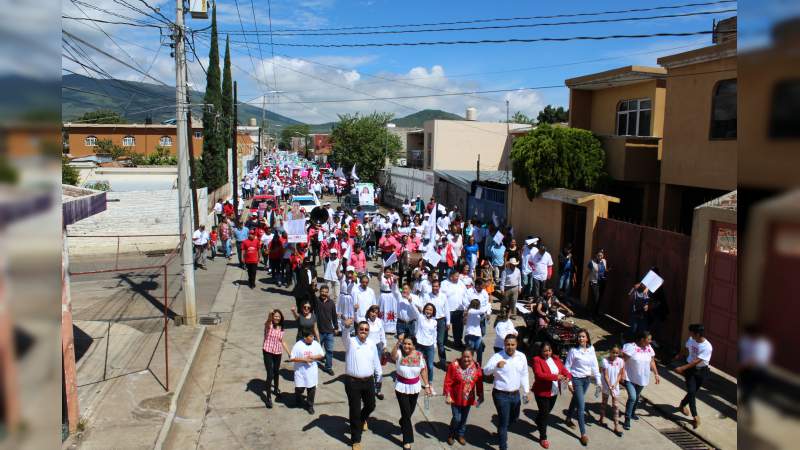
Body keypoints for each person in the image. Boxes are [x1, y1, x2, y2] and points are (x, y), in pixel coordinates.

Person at [340, 318, 382, 450]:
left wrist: (379, 375)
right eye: (361, 329)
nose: (364, 331)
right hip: (353, 382)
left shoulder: (371, 344)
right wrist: (346, 328)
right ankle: (355, 440)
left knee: (371, 405)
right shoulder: (351, 342)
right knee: (355, 410)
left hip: (368, 380)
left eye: (366, 329)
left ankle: (362, 420)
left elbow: (376, 361)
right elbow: (344, 337)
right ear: (357, 330)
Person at [483, 334, 530, 450]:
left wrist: (526, 391)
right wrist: (496, 366)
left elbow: (524, 374)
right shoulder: (498, 356)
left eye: (512, 344)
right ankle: (503, 446)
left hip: (515, 395)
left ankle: (501, 431)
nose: (510, 347)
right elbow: (486, 371)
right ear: (504, 345)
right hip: (501, 395)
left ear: (516, 344)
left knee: (514, 418)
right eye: (507, 344)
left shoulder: (521, 356)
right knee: (504, 422)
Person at [392, 333, 432, 450]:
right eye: (405, 343)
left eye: (409, 344)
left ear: (414, 345)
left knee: (409, 412)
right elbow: (392, 356)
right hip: (401, 387)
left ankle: (402, 422)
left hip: (415, 387)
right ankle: (407, 440)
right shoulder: (399, 353)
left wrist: (427, 385)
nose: (406, 346)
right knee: (406, 414)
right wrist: (398, 342)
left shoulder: (419, 356)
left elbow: (423, 371)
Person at [565, 329, 602, 446]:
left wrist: (598, 381)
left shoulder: (591, 349)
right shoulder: (573, 351)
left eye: (583, 336)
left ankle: (568, 419)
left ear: (587, 338)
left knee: (576, 399)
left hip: (587, 380)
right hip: (576, 380)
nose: (580, 338)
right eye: (579, 337)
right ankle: (583, 434)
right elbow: (567, 367)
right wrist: (569, 383)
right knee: (581, 406)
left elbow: (595, 365)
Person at [532, 342, 572, 449]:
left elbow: (563, 370)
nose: (547, 353)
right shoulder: (537, 360)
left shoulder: (556, 359)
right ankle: (543, 437)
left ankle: (538, 420)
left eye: (549, 350)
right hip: (541, 392)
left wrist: (568, 376)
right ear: (540, 351)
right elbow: (539, 374)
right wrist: (556, 377)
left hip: (553, 392)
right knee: (545, 415)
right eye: (545, 351)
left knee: (545, 412)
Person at [443, 348, 484, 446]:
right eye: (464, 356)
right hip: (455, 397)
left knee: (464, 418)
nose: (466, 359)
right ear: (461, 355)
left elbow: (479, 382)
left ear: (472, 356)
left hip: (468, 398)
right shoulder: (454, 366)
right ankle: (451, 434)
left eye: (468, 357)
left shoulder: (476, 367)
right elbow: (448, 381)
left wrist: (481, 395)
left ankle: (460, 434)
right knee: (457, 418)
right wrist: (448, 395)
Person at [675, 324, 713, 429]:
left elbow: (697, 361)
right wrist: (680, 354)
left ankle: (682, 405)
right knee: (691, 392)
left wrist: (682, 368)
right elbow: (686, 348)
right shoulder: (691, 339)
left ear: (697, 334)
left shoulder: (707, 347)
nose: (689, 334)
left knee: (693, 392)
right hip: (690, 370)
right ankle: (695, 416)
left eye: (691, 332)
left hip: (702, 371)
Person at [621, 330, 660, 431]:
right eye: (649, 339)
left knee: (637, 396)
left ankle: (632, 413)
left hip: (642, 378)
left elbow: (652, 361)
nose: (650, 341)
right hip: (629, 377)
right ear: (642, 340)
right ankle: (627, 419)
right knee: (633, 397)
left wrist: (656, 373)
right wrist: (620, 374)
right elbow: (622, 361)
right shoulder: (631, 347)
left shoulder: (648, 348)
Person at [289, 329, 325, 414]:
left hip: (311, 372)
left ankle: (310, 405)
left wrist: (313, 357)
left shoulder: (316, 344)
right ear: (305, 337)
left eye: (313, 336)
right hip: (300, 371)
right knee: (300, 388)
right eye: (311, 336)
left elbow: (321, 355)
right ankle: (298, 396)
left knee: (311, 389)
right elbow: (292, 358)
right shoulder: (298, 345)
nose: (313, 338)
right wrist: (304, 359)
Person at [263, 309, 291, 409]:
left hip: (278, 352)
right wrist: (270, 314)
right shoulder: (268, 325)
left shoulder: (281, 327)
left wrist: (289, 353)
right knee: (270, 374)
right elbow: (268, 320)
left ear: (281, 318)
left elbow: (282, 341)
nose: (276, 318)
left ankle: (275, 389)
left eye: (278, 316)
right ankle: (268, 397)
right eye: (275, 316)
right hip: (268, 351)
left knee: (276, 372)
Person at [423, 279, 450, 367]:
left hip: (441, 321)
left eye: (436, 286)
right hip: (430, 320)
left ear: (439, 287)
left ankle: (443, 361)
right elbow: (424, 309)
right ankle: (427, 361)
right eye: (433, 286)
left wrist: (448, 322)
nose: (435, 288)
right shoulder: (427, 296)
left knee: (440, 342)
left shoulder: (443, 296)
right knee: (429, 341)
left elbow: (447, 309)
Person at [600, 344, 626, 436]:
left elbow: (620, 373)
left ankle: (616, 427)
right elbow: (606, 374)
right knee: (604, 403)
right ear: (610, 352)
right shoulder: (604, 361)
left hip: (615, 386)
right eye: (613, 352)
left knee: (615, 406)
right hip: (606, 385)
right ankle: (601, 419)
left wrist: (615, 384)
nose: (615, 354)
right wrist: (610, 386)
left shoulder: (621, 361)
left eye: (617, 353)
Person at [364, 305, 387, 400]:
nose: (374, 314)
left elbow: (382, 334)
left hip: (378, 347)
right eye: (372, 312)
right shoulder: (365, 322)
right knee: (368, 370)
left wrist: (384, 346)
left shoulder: (379, 322)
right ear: (369, 312)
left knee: (378, 370)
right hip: (367, 348)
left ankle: (378, 390)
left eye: (376, 313)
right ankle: (367, 391)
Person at [313, 285, 338, 375]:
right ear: (319, 292)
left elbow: (334, 316)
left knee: (329, 351)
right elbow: (310, 294)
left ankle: (328, 367)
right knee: (315, 350)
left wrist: (336, 327)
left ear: (328, 293)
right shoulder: (316, 301)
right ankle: (313, 366)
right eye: (322, 291)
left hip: (329, 332)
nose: (324, 293)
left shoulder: (331, 303)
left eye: (326, 292)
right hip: (318, 331)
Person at [441, 270, 467, 349]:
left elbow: (465, 294)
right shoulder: (444, 283)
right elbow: (441, 296)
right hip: (447, 310)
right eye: (456, 276)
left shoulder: (461, 283)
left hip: (459, 309)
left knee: (459, 328)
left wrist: (466, 307)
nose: (457, 278)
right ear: (451, 277)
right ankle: (443, 342)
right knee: (445, 327)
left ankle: (458, 343)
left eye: (458, 276)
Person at [414, 303, 439, 382]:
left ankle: (430, 383)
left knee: (430, 366)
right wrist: (411, 301)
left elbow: (434, 334)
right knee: (416, 365)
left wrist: (434, 345)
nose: (428, 311)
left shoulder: (434, 322)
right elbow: (414, 309)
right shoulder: (420, 317)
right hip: (419, 345)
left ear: (433, 312)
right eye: (427, 309)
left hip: (430, 346)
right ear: (424, 310)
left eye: (430, 310)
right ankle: (415, 381)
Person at [585, 251, 608, 317]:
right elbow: (587, 272)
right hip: (594, 282)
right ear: (596, 255)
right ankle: (591, 313)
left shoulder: (604, 261)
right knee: (596, 298)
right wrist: (585, 281)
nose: (600, 257)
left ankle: (596, 312)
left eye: (601, 255)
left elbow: (604, 270)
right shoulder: (591, 262)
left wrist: (607, 271)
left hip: (602, 282)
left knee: (600, 298)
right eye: (598, 255)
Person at [463, 298, 486, 364]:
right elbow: (482, 310)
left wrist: (484, 317)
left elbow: (481, 321)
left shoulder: (477, 313)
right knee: (470, 353)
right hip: (470, 335)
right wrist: (488, 305)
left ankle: (478, 367)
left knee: (479, 352)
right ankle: (469, 366)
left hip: (478, 335)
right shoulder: (470, 311)